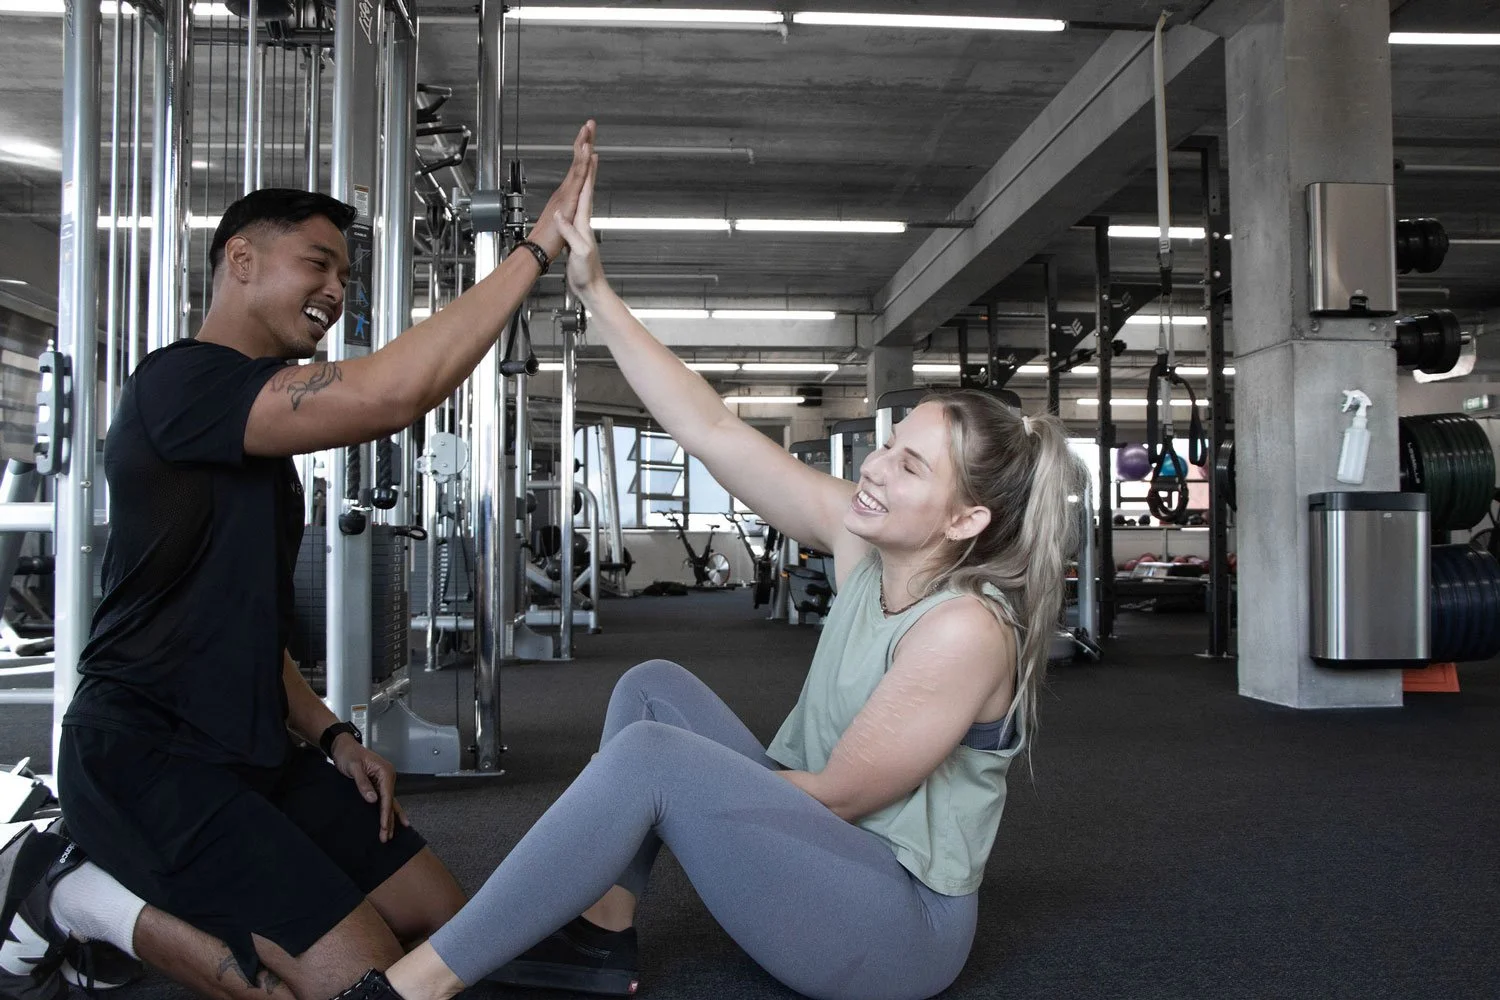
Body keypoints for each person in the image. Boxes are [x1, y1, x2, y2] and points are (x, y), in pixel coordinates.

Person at [327, 148, 1087, 1000]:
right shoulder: (862, 542)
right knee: (653, 691)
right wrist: (596, 295)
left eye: (910, 468)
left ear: (965, 520)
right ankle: (600, 938)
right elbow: (716, 431)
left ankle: (411, 990)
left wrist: (677, 795)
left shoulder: (963, 628)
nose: (875, 469)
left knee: (655, 758)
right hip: (826, 863)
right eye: (888, 444)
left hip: (891, 928)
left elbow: (836, 798)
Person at [0, 125, 598, 1000]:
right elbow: (394, 392)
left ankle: (107, 894)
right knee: (367, 986)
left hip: (255, 753)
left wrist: (334, 735)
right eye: (317, 264)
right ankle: (72, 896)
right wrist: (537, 247)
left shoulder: (260, 447)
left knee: (449, 931)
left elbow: (249, 628)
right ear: (239, 259)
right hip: (147, 760)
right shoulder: (180, 384)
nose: (336, 290)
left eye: (346, 276)